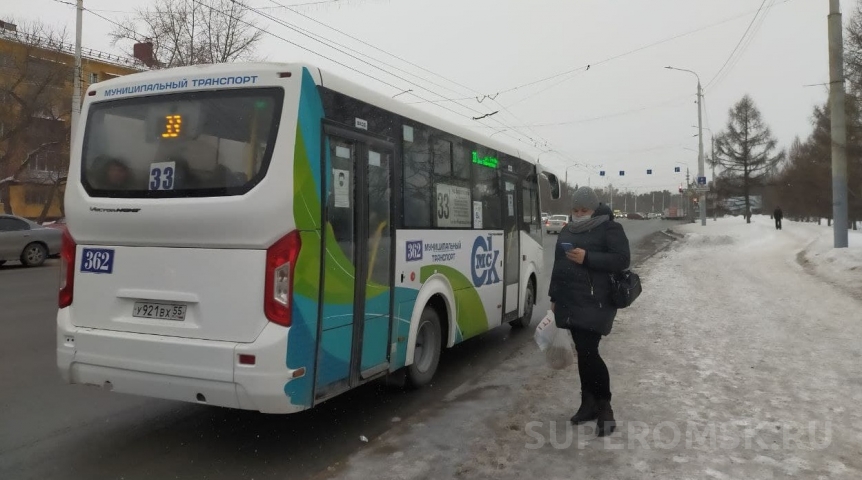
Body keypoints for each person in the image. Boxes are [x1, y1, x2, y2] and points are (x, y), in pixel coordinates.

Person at [548, 187, 631, 437]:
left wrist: (587, 258)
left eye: (584, 210)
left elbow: (621, 260)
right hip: (570, 300)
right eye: (575, 210)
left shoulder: (610, 228)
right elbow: (558, 266)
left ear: (594, 209)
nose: (579, 214)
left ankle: (605, 407)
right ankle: (588, 403)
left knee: (588, 351)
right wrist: (554, 297)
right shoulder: (567, 229)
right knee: (584, 353)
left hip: (597, 301)